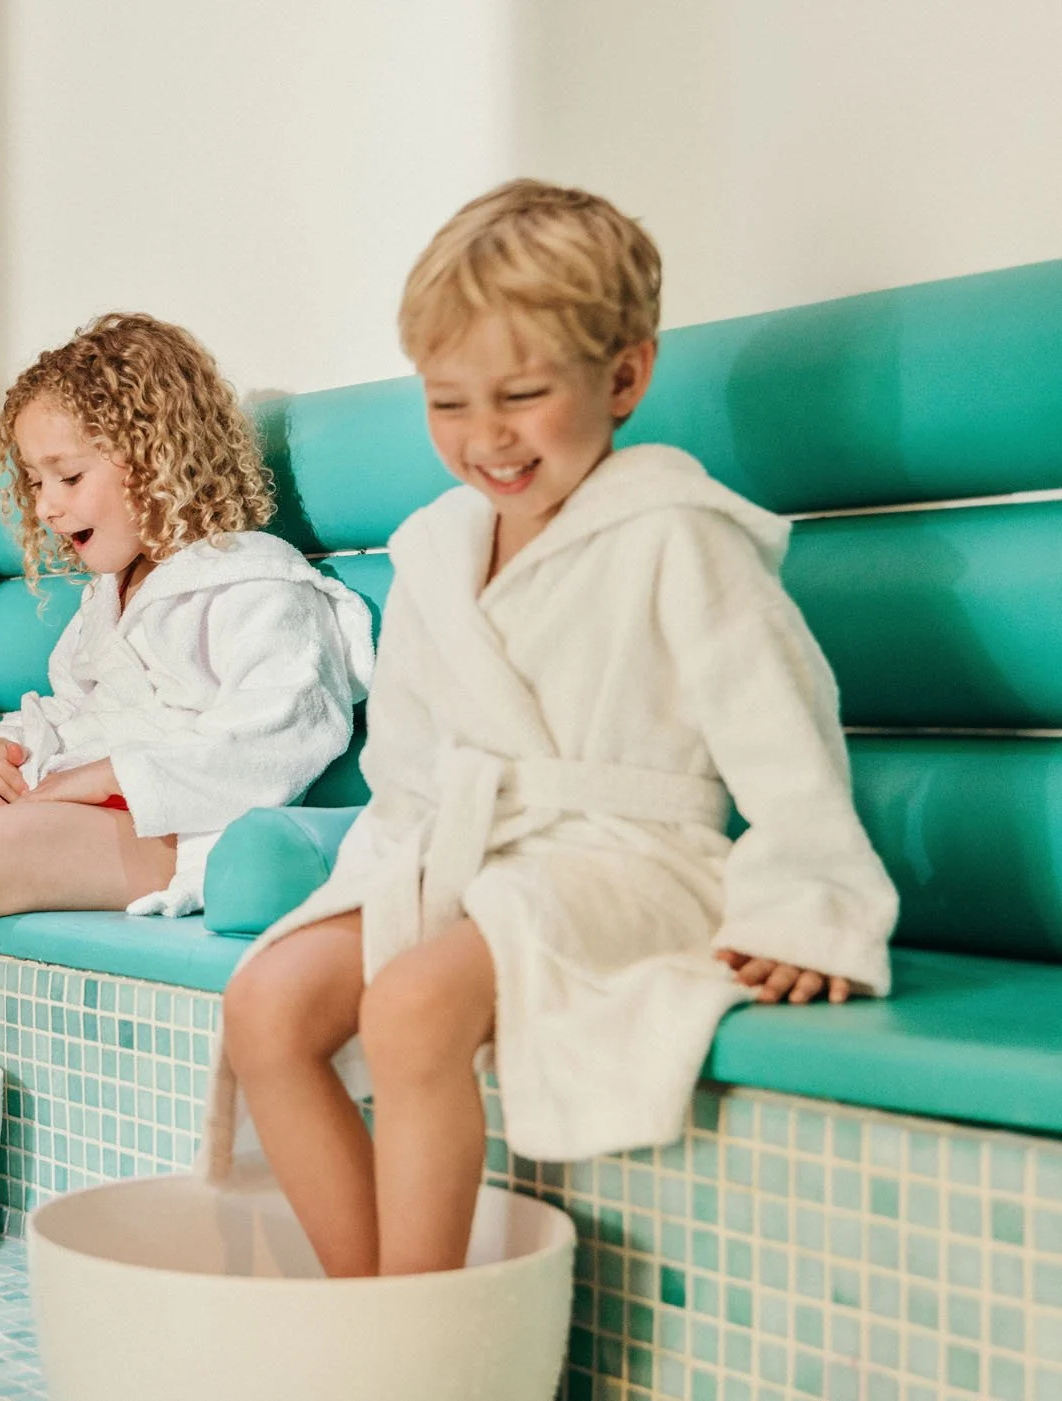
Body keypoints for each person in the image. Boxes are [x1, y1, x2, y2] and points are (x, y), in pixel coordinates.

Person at [211, 180, 899, 1279]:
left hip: (634, 856)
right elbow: (406, 771)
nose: (487, 438)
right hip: (460, 848)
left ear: (624, 374)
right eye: (448, 403)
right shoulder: (436, 546)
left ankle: (416, 1344)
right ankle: (364, 1306)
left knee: (416, 1004)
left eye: (522, 395)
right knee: (268, 1004)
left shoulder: (679, 532)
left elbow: (785, 739)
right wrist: (390, 884)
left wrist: (807, 906)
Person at [0, 314, 373, 1104]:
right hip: (82, 813)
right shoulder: (110, 594)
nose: (48, 507)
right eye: (36, 481)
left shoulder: (257, 583)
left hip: (167, 826)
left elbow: (281, 736)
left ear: (157, 458)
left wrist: (107, 776)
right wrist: (6, 748)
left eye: (68, 477)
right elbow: (63, 706)